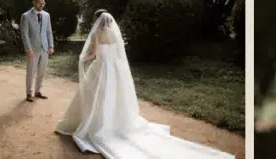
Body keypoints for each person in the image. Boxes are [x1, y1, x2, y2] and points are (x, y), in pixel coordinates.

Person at [55, 10, 235, 158]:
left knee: (96, 97)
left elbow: (93, 53)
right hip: (114, 71)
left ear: (96, 21)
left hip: (100, 68)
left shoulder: (96, 34)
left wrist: (83, 58)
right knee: (113, 98)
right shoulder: (114, 34)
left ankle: (98, 124)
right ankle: (115, 123)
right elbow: (119, 55)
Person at [20, 0, 54, 103]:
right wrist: (28, 48)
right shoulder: (26, 16)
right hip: (32, 49)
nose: (41, 5)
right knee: (31, 71)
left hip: (45, 49)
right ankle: (29, 93)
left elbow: (49, 31)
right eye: (39, 3)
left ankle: (38, 91)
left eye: (43, 3)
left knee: (41, 71)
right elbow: (24, 34)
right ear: (34, 2)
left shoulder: (46, 15)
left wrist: (51, 45)